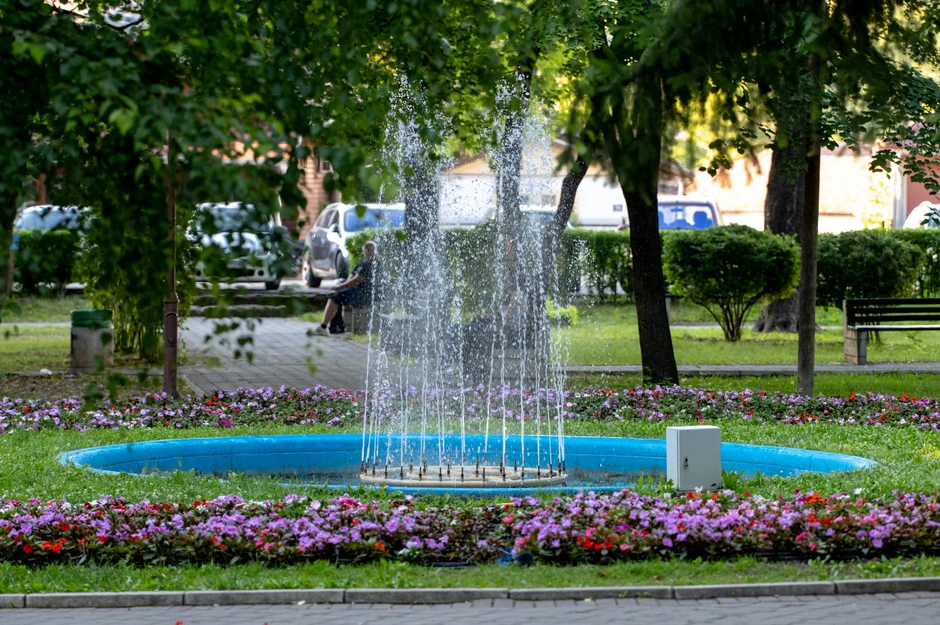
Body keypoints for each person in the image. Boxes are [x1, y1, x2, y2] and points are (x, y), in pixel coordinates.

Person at [312, 241, 379, 336]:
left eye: (370, 249)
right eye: (366, 249)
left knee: (335, 296)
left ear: (374, 250)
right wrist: (341, 284)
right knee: (338, 284)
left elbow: (355, 280)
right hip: (359, 289)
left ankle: (324, 327)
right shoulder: (363, 263)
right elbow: (351, 278)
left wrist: (339, 287)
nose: (368, 251)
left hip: (365, 295)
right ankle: (336, 326)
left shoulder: (371, 264)